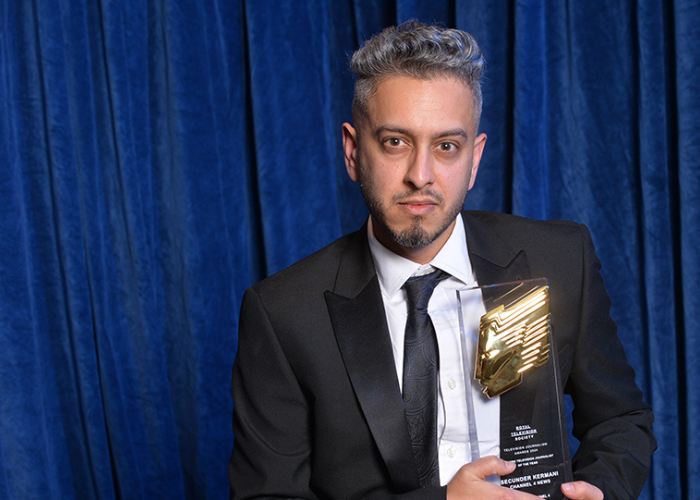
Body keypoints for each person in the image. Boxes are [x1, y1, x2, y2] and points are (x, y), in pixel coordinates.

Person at [229, 20, 656, 500]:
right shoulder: (283, 313)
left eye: (446, 147)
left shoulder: (559, 260)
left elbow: (621, 421)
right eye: (395, 142)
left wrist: (600, 490)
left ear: (474, 160)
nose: (421, 175)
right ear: (353, 152)